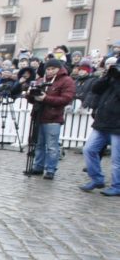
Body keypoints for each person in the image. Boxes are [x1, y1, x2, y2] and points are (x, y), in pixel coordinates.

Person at [24, 59, 75, 180]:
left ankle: (50, 170)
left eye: (53, 69)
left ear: (59, 69)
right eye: (48, 69)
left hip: (53, 117)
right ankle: (38, 166)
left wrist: (46, 98)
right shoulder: (41, 80)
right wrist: (30, 95)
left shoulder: (66, 80)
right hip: (39, 115)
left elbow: (66, 99)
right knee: (39, 144)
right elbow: (33, 99)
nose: (50, 71)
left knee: (52, 146)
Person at [79, 57, 119, 196]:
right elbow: (96, 89)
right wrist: (108, 76)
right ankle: (97, 179)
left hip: (118, 125)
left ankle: (117, 185)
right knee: (89, 149)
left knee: (116, 159)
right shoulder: (111, 78)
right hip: (102, 121)